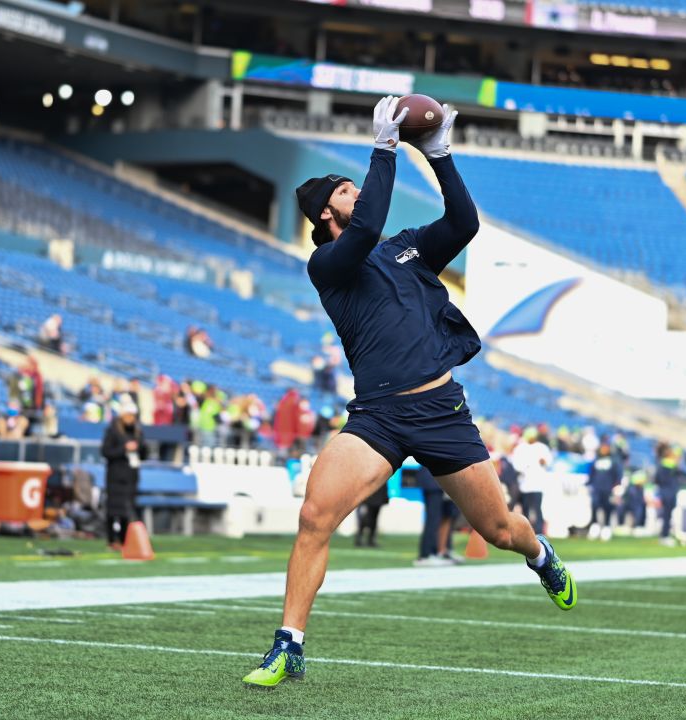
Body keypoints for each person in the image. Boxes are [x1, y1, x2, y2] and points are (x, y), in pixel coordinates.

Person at [242, 96, 575, 689]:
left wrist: (440, 154)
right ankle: (288, 645)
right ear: (324, 214)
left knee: (499, 530)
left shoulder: (406, 247)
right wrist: (385, 148)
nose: (357, 196)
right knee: (315, 515)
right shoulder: (328, 263)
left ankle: (540, 555)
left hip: (441, 410)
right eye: (346, 191)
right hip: (377, 416)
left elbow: (464, 224)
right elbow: (366, 224)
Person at [101, 398, 146, 549]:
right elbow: (106, 452)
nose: (130, 419)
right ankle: (111, 540)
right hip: (115, 476)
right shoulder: (113, 431)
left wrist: (139, 447)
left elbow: (144, 454)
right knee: (113, 510)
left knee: (127, 510)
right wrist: (124, 448)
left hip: (131, 477)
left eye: (133, 416)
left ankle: (124, 540)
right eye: (128, 415)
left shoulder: (137, 431)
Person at [511, 427, 552, 534]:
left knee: (537, 508)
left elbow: (548, 462)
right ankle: (526, 531)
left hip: (538, 484)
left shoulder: (542, 448)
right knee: (526, 509)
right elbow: (516, 465)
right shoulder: (520, 448)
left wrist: (544, 462)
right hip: (524, 484)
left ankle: (539, 531)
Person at [586, 443, 621, 541]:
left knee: (608, 508)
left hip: (608, 489)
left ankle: (606, 527)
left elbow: (618, 475)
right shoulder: (596, 460)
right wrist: (589, 484)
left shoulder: (614, 461)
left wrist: (616, 487)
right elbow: (591, 474)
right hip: (597, 489)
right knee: (594, 506)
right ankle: (594, 526)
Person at [654, 445, 682, 547]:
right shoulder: (669, 466)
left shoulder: (664, 465)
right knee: (666, 516)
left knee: (667, 516)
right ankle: (664, 536)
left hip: (666, 493)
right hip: (667, 494)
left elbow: (657, 481)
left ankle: (664, 535)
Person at [354, 481, 389, 547]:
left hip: (378, 499)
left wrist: (385, 498)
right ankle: (359, 539)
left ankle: (371, 540)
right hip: (368, 500)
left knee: (373, 521)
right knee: (364, 520)